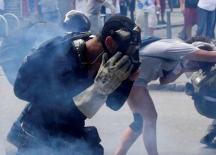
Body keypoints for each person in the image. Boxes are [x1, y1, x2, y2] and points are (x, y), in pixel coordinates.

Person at [13, 15, 142, 154]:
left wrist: (129, 80)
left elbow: (114, 103)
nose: (129, 56)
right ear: (109, 42)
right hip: (38, 135)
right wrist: (99, 89)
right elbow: (63, 112)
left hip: (70, 132)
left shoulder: (109, 62)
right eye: (128, 50)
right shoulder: (64, 57)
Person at [115, 36, 216, 155]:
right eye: (197, 63)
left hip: (133, 77)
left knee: (144, 120)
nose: (195, 68)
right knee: (146, 119)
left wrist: (183, 69)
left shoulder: (180, 58)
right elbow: (211, 56)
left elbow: (164, 81)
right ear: (195, 52)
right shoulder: (179, 48)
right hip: (130, 76)